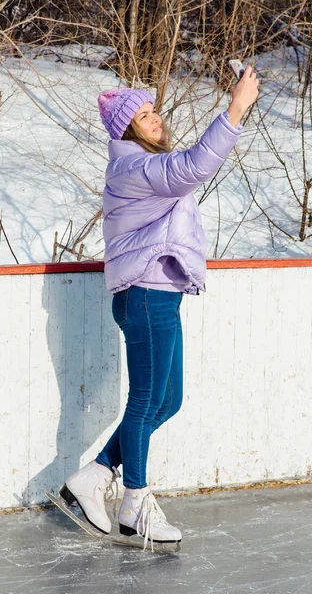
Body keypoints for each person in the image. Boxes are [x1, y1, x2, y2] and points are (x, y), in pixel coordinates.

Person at [58, 66, 259, 547]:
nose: (156, 120)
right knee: (146, 399)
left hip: (159, 295)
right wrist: (234, 110)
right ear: (127, 128)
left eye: (154, 112)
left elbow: (182, 172)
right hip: (146, 295)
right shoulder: (133, 167)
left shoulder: (144, 168)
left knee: (168, 400)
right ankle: (134, 504)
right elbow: (192, 166)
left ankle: (95, 475)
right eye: (144, 116)